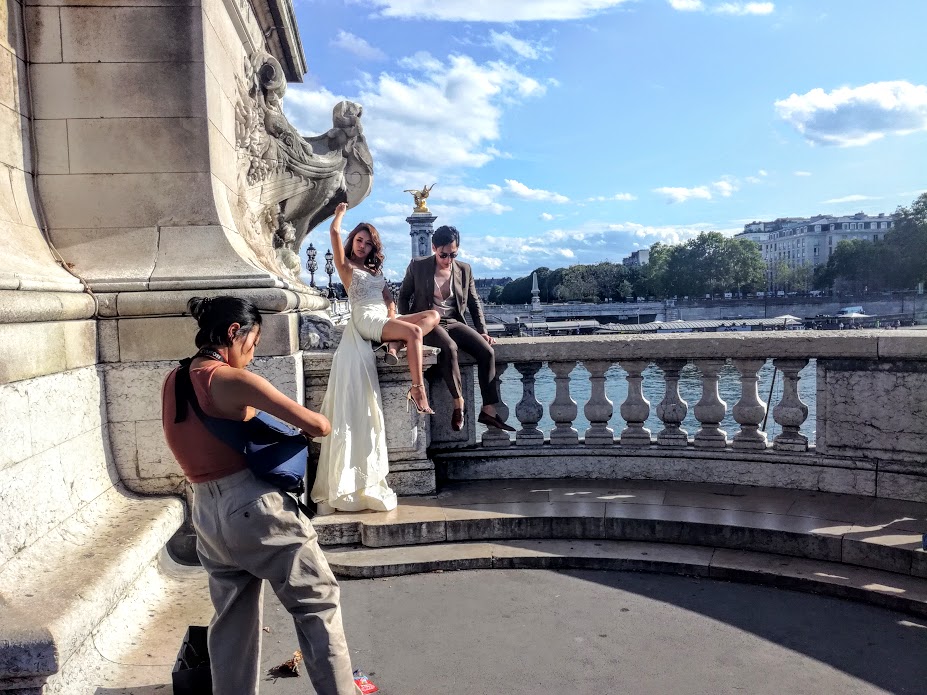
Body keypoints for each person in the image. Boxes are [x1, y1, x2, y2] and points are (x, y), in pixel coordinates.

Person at [161, 296, 369, 695]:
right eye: (253, 343)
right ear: (233, 332)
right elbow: (318, 425)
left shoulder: (174, 379)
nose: (252, 355)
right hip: (254, 506)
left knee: (232, 619)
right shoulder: (232, 380)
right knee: (317, 601)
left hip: (205, 511)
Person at [312, 202, 439, 513]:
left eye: (368, 243)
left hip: (382, 318)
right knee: (414, 332)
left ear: (373, 248)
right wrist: (339, 213)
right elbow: (334, 233)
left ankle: (393, 345)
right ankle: (417, 389)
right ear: (353, 240)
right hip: (365, 320)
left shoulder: (375, 271)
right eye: (360, 240)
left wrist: (393, 316)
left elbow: (390, 301)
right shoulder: (345, 267)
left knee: (433, 316)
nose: (363, 246)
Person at [399, 224, 515, 433]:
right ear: (434, 248)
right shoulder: (418, 266)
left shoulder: (464, 269)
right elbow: (403, 296)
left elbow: (473, 302)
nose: (448, 260)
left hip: (453, 321)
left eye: (453, 255)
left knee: (487, 352)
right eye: (443, 255)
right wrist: (408, 326)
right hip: (429, 323)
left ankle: (488, 410)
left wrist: (482, 330)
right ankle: (458, 403)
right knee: (449, 348)